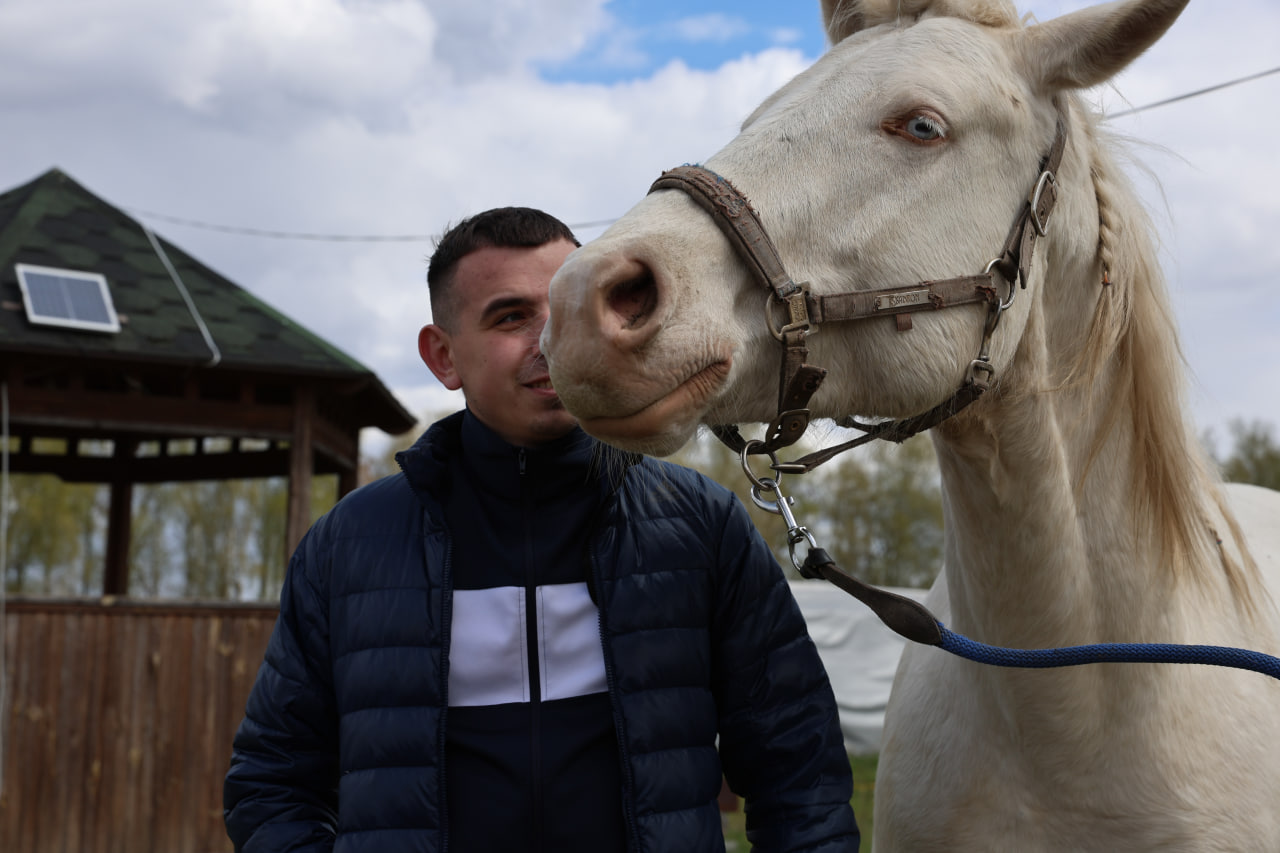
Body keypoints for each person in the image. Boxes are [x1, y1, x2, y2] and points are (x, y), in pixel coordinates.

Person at [223, 207, 858, 852]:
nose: (552, 340)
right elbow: (271, 784)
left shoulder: (700, 525)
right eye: (510, 317)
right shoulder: (347, 546)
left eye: (568, 309)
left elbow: (800, 772)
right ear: (443, 356)